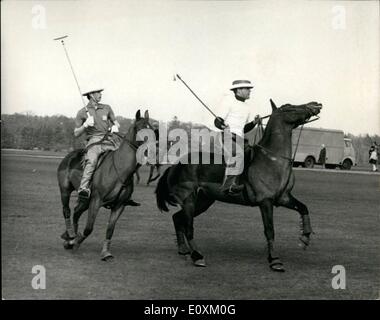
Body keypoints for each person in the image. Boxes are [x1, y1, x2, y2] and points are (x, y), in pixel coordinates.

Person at [214, 79, 261, 194]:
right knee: (238, 154)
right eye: (247, 89)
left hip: (239, 138)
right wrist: (222, 125)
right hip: (226, 136)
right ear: (239, 90)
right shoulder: (228, 101)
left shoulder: (247, 107)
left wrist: (254, 123)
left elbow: (243, 129)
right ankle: (228, 187)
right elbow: (217, 120)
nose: (250, 91)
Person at [74, 87, 121, 199]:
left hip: (109, 139)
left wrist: (115, 127)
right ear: (91, 95)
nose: (100, 94)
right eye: (98, 92)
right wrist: (85, 126)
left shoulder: (107, 108)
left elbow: (117, 123)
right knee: (92, 161)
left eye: (100, 92)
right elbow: (76, 133)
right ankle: (83, 188)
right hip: (94, 141)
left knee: (123, 158)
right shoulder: (82, 112)